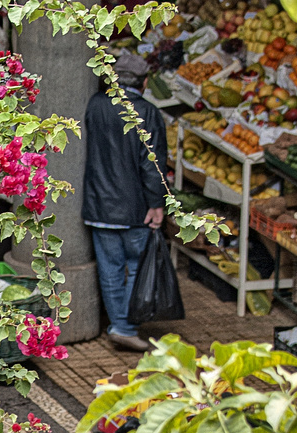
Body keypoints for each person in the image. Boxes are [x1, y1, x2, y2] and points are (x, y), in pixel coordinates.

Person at [82, 52, 167, 353]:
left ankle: (120, 324)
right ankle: (126, 327)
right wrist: (157, 204)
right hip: (135, 208)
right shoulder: (148, 113)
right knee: (136, 266)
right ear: (143, 82)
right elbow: (152, 164)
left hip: (99, 206)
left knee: (111, 270)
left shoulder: (95, 105)